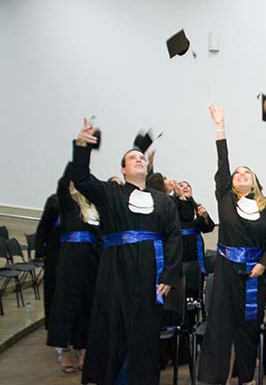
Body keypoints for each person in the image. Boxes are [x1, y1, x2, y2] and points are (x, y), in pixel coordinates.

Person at [72, 118, 183, 385]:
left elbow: (173, 238)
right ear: (123, 170)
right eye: (132, 158)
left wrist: (168, 275)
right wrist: (82, 147)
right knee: (113, 328)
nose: (138, 159)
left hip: (151, 275)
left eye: (141, 158)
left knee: (145, 333)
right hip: (115, 274)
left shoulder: (164, 201)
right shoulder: (111, 193)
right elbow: (82, 179)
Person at [198, 104, 266, 385]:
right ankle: (217, 378)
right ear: (231, 182)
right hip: (225, 273)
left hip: (254, 276)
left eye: (247, 173)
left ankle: (246, 378)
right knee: (220, 328)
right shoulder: (225, 198)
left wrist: (263, 265)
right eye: (238, 174)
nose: (242, 175)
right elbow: (223, 165)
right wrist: (220, 127)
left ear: (255, 181)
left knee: (248, 328)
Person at [46, 162, 101, 373]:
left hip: (91, 259)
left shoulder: (94, 207)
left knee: (87, 304)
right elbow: (63, 183)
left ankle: (83, 347)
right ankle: (66, 348)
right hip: (70, 258)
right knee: (67, 303)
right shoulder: (66, 201)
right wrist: (79, 160)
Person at [35, 192, 62, 331]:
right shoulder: (54, 200)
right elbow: (43, 226)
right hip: (54, 251)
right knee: (52, 287)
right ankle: (51, 323)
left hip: (71, 252)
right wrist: (39, 250)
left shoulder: (82, 200)